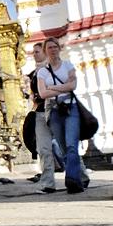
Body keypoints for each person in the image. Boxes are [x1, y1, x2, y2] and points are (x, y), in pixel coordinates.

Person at [37, 37, 85, 194]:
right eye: (49, 47)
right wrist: (64, 88)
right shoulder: (42, 72)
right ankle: (75, 177)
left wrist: (54, 87)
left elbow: (73, 85)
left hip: (71, 108)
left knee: (72, 145)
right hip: (54, 110)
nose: (53, 49)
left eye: (55, 46)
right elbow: (43, 93)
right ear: (46, 51)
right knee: (63, 149)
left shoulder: (67, 65)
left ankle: (72, 180)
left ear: (59, 48)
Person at [28, 42, 58, 194]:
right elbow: (33, 96)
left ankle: (81, 175)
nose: (34, 54)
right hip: (40, 112)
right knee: (44, 149)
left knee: (66, 146)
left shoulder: (53, 69)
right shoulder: (33, 74)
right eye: (33, 52)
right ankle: (48, 183)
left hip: (55, 110)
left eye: (37, 51)